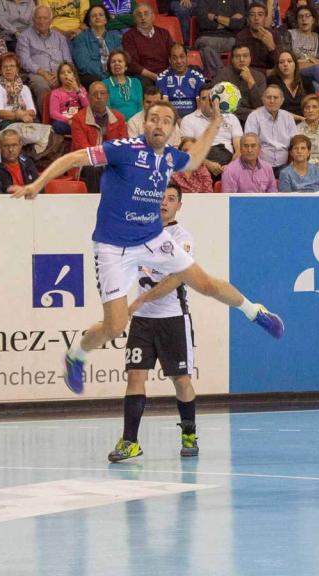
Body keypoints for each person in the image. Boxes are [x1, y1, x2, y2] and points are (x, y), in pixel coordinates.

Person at [8, 96, 284, 393]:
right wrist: (38, 184)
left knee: (204, 283)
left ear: (173, 130)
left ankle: (255, 311)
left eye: (166, 121)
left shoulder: (169, 157)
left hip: (152, 238)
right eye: (154, 118)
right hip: (113, 248)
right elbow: (73, 158)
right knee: (114, 327)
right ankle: (76, 356)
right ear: (145, 123)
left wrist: (216, 123)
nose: (159, 124)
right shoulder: (122, 150)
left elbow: (193, 160)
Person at [108, 184, 201, 461]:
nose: (164, 203)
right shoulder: (139, 233)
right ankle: (130, 441)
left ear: (178, 206)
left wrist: (140, 301)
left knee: (180, 379)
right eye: (161, 198)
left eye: (171, 199)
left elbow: (176, 278)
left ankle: (189, 434)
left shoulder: (182, 238)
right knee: (135, 375)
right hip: (143, 321)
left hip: (172, 317)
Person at [70, 81, 127, 191]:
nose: (99, 97)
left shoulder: (119, 117)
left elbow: (124, 145)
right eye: (95, 94)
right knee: (94, 168)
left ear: (108, 96)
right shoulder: (78, 119)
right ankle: (95, 204)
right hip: (87, 162)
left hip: (112, 159)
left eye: (102, 93)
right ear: (88, 97)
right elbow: (83, 150)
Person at [16, 5, 75, 103]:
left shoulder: (60, 37)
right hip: (37, 74)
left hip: (59, 73)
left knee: (72, 82)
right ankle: (47, 118)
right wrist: (43, 73)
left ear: (51, 21)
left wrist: (59, 74)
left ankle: (71, 116)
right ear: (33, 19)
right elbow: (24, 61)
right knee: (42, 86)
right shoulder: (24, 37)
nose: (42, 21)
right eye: (38, 18)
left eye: (45, 18)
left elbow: (68, 61)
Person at [179, 85, 241, 177]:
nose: (209, 102)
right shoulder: (188, 120)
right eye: (204, 98)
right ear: (198, 101)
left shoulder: (231, 118)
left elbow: (239, 149)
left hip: (229, 161)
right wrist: (207, 164)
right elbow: (187, 150)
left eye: (211, 97)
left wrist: (230, 167)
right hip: (201, 162)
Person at [244, 84, 296, 176]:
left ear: (282, 100)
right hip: (259, 166)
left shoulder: (288, 117)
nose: (272, 101)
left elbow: (295, 142)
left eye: (275, 98)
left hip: (284, 166)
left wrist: (294, 162)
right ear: (263, 99)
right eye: (268, 97)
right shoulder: (254, 117)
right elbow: (250, 145)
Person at [211, 44, 265, 124]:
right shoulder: (222, 75)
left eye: (245, 56)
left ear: (250, 58)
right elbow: (222, 105)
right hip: (228, 119)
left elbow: (261, 105)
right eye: (237, 56)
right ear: (232, 59)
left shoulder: (259, 77)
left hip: (255, 120)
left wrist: (251, 82)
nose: (242, 59)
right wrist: (250, 112)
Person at [121, 3, 173, 86]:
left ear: (153, 17)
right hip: (144, 75)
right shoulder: (128, 37)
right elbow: (132, 64)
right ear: (134, 19)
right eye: (139, 15)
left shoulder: (164, 33)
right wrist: (154, 76)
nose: (143, 17)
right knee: (143, 83)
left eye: (146, 14)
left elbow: (172, 54)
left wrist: (167, 73)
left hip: (165, 73)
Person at [71, 4, 123, 86]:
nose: (97, 17)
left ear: (106, 20)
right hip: (92, 77)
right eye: (93, 16)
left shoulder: (115, 37)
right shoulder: (80, 39)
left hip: (114, 73)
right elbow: (84, 65)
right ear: (89, 22)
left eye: (101, 15)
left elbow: (121, 59)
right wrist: (105, 77)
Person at [193, 0, 245, 78]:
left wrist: (215, 17)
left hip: (229, 39)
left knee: (239, 46)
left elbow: (239, 24)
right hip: (207, 38)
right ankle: (223, 76)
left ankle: (217, 78)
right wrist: (228, 21)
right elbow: (203, 22)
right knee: (205, 47)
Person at [288, 5, 319, 92]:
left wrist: (303, 61)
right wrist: (310, 61)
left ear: (313, 20)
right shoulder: (290, 34)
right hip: (294, 72)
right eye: (300, 17)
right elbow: (287, 59)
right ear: (297, 20)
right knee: (316, 68)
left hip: (311, 74)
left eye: (307, 16)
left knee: (316, 86)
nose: (304, 19)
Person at [156, 42, 204, 118]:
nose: (179, 61)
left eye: (182, 57)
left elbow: (200, 107)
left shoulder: (198, 77)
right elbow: (165, 107)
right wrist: (177, 120)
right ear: (170, 60)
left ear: (186, 57)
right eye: (174, 58)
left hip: (193, 118)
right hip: (171, 119)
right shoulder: (162, 78)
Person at [235, 1, 282, 74]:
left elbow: (280, 63)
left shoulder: (274, 34)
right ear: (248, 19)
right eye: (252, 15)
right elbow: (241, 65)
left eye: (260, 15)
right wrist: (265, 72)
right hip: (249, 75)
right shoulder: (241, 36)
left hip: (272, 75)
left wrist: (271, 47)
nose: (256, 18)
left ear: (265, 18)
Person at [267, 50, 312, 119]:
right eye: (281, 62)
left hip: (305, 120)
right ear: (278, 66)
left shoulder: (305, 80)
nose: (285, 64)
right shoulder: (272, 81)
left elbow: (313, 102)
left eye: (289, 61)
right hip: (282, 121)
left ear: (295, 64)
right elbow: (273, 108)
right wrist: (299, 118)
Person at [49, 61, 88, 135]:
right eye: (62, 73)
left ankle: (80, 130)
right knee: (57, 125)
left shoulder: (81, 89)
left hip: (80, 119)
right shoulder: (55, 93)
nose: (66, 74)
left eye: (69, 72)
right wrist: (68, 120)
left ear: (74, 75)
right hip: (66, 122)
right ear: (59, 77)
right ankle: (81, 131)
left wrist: (77, 89)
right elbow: (53, 113)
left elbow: (87, 106)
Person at [103, 49, 143, 120]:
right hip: (116, 124)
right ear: (110, 66)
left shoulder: (136, 82)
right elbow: (107, 109)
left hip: (136, 123)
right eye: (113, 62)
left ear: (126, 66)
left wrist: (136, 123)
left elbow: (140, 106)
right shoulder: (104, 84)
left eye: (120, 61)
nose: (116, 63)